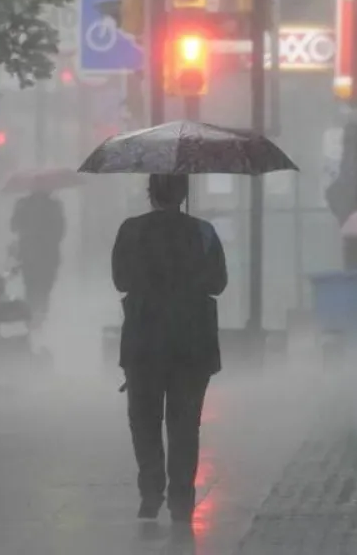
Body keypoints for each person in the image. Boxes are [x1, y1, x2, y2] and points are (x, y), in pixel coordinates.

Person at [111, 174, 227, 524]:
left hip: (143, 343)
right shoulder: (203, 232)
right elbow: (218, 284)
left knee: (144, 421)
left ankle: (150, 492)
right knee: (185, 424)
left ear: (150, 194)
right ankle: (181, 499)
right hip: (192, 343)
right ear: (183, 193)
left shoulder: (130, 231)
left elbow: (121, 281)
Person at [10, 189, 65, 326]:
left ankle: (35, 316)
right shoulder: (54, 206)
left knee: (36, 286)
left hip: (37, 254)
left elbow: (14, 226)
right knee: (39, 287)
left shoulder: (25, 204)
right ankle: (37, 316)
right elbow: (61, 230)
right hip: (41, 254)